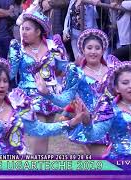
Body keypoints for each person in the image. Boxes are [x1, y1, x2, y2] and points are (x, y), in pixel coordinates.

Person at [35, 28, 120, 156]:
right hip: (89, 122)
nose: (93, 51)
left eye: (97, 48)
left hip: (113, 122)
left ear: (103, 50)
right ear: (83, 50)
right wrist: (47, 93)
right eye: (89, 48)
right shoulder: (76, 73)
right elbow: (65, 99)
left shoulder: (113, 71)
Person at [8, 10, 68, 154]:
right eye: (22, 28)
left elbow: (62, 70)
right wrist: (13, 57)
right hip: (29, 96)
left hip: (50, 95)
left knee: (44, 133)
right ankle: (37, 169)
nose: (23, 32)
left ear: (38, 31)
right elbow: (10, 74)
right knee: (40, 130)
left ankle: (39, 168)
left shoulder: (52, 46)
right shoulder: (18, 48)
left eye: (27, 29)